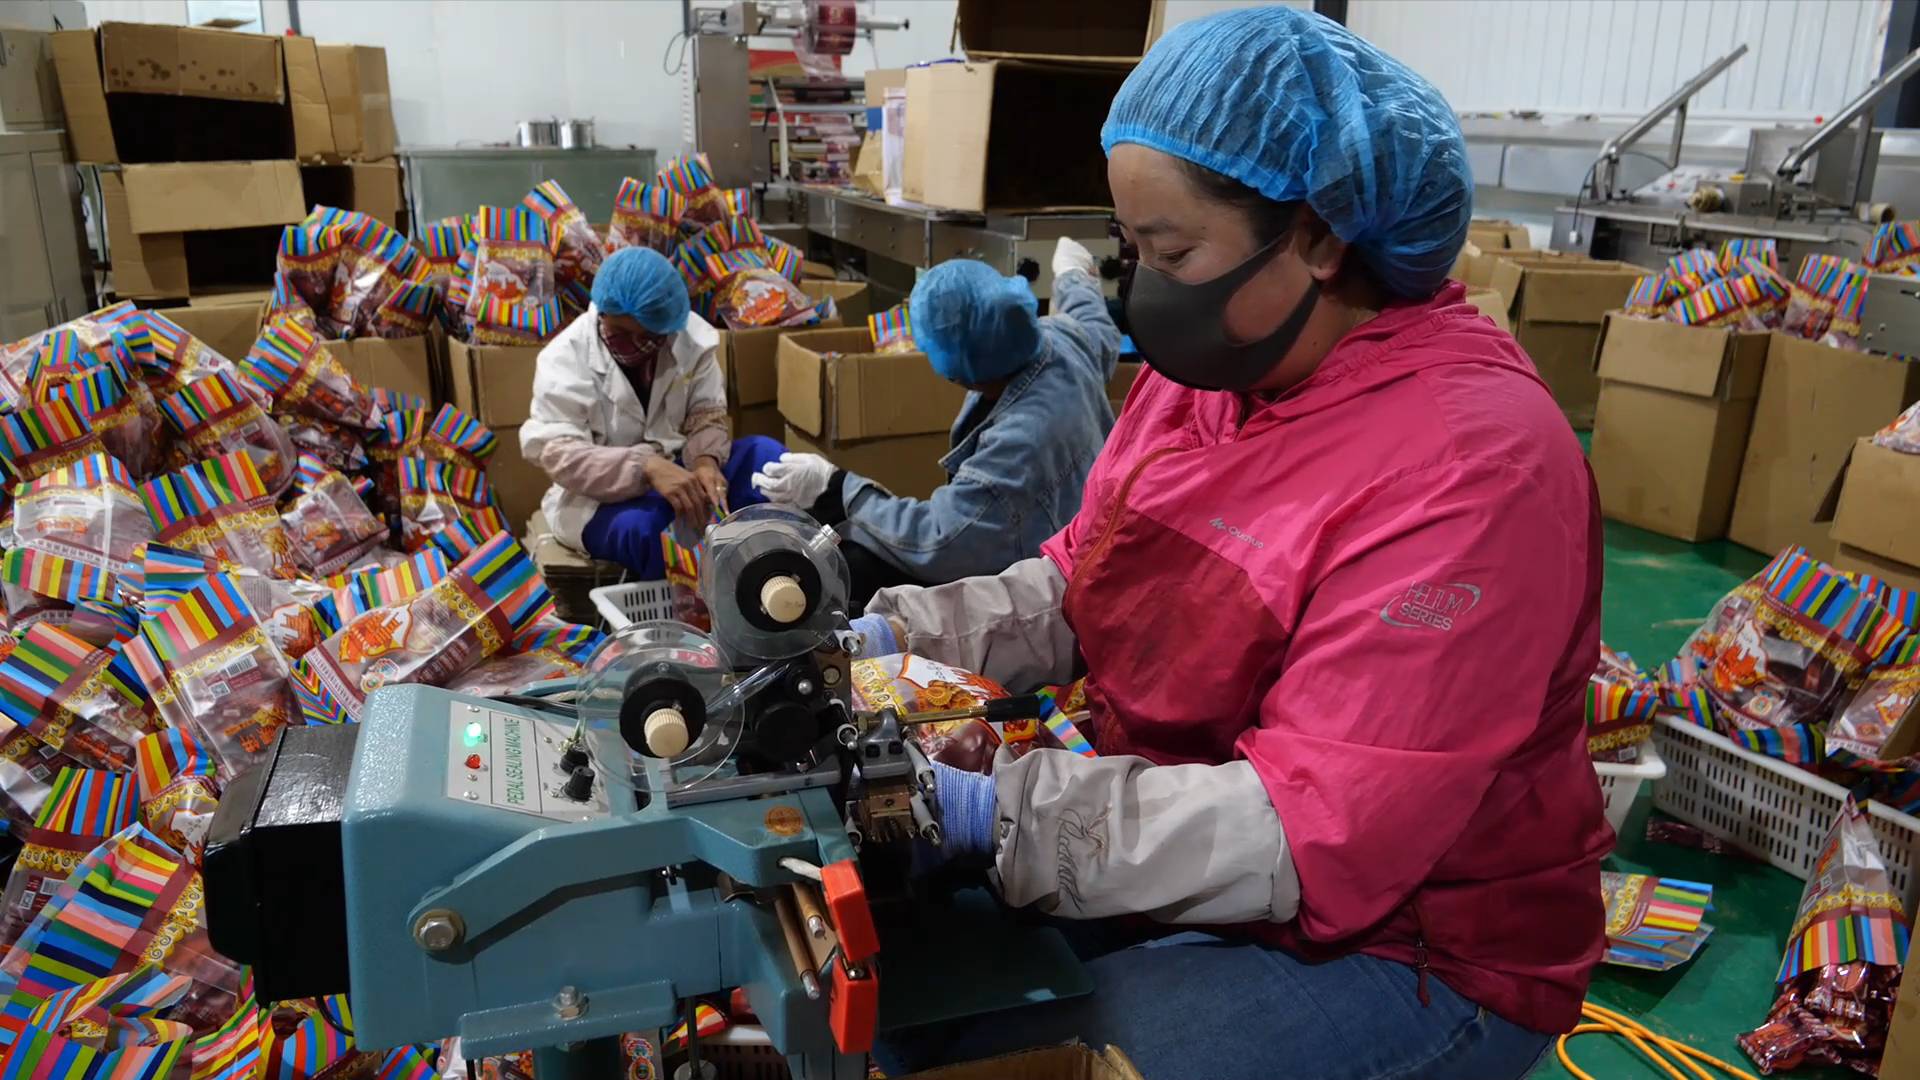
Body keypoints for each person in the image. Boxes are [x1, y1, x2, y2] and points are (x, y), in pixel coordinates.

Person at [852, 9, 1609, 1080]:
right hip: (1211, 843)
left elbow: (1313, 829)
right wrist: (887, 635)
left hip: (1413, 942)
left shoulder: (1473, 466)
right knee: (906, 998)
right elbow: (1083, 580)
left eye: (1172, 252)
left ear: (1319, 235)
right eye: (1131, 250)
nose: (1143, 289)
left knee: (1018, 1065)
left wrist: (994, 814)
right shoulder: (1212, 375)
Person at [751, 243, 1120, 606]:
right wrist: (1074, 275)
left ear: (955, 368)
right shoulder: (1057, 340)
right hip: (1076, 537)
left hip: (1049, 590)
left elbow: (943, 540)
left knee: (861, 572)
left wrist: (840, 488)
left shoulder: (1022, 440)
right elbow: (1094, 323)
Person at [521, 247, 784, 577]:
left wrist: (706, 461)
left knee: (768, 458)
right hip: (603, 495)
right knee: (642, 529)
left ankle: (769, 574)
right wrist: (644, 467)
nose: (634, 345)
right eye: (621, 333)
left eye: (646, 337)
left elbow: (706, 412)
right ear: (602, 313)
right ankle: (688, 616)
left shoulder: (691, 338)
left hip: (681, 466)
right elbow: (561, 455)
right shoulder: (564, 358)